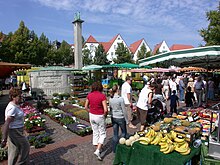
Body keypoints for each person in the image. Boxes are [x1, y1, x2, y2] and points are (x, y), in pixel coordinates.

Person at [1, 87, 30, 165]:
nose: (21, 98)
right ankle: (22, 163)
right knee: (26, 146)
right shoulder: (12, 108)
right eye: (19, 96)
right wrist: (4, 139)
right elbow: (7, 123)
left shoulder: (15, 105)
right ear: (13, 97)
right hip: (15, 131)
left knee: (14, 151)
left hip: (17, 130)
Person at [84, 81, 108, 160]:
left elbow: (86, 107)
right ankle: (98, 150)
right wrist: (105, 116)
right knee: (102, 133)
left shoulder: (89, 95)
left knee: (95, 132)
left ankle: (98, 148)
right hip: (99, 115)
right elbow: (105, 109)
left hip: (92, 115)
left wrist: (90, 111)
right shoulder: (102, 96)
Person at [109, 85, 127, 153]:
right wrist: (127, 120)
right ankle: (122, 149)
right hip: (121, 117)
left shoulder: (111, 98)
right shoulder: (120, 99)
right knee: (123, 133)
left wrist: (111, 116)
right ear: (117, 90)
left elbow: (110, 108)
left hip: (114, 117)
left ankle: (114, 149)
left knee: (115, 134)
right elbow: (124, 110)